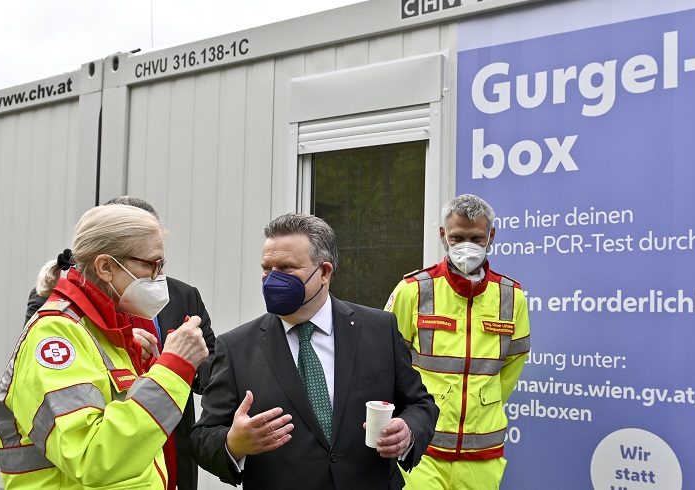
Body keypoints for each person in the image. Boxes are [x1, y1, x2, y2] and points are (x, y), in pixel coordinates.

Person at [190, 213, 438, 489]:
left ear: (324, 272)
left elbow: (420, 404)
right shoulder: (236, 347)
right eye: (266, 269)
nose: (272, 280)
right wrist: (233, 444)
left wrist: (408, 432)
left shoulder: (379, 329)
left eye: (286, 268)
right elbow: (203, 437)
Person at [0, 204, 209, 489]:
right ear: (106, 267)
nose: (158, 278)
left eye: (162, 266)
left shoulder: (106, 333)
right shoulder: (55, 336)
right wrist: (173, 368)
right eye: (150, 265)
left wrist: (147, 370)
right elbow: (92, 457)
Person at [384, 194, 531, 489]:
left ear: (492, 235)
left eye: (476, 237)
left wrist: (484, 402)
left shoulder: (512, 296)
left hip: (483, 452)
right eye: (457, 237)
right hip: (422, 448)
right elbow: (387, 358)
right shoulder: (413, 290)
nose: (467, 245)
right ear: (442, 235)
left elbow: (514, 362)